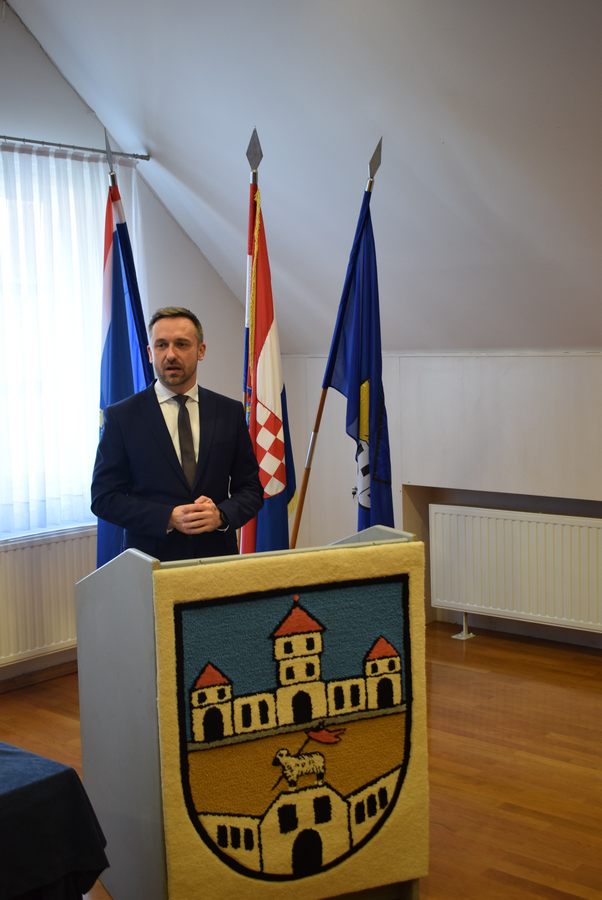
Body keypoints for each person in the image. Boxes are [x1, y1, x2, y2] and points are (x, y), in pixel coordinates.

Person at [91, 307, 263, 561]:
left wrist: (221, 515)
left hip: (217, 561)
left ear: (201, 351)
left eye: (181, 344)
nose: (170, 354)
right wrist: (167, 517)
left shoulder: (229, 412)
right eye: (161, 345)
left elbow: (251, 489)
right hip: (151, 563)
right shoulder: (122, 417)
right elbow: (104, 498)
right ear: (150, 353)